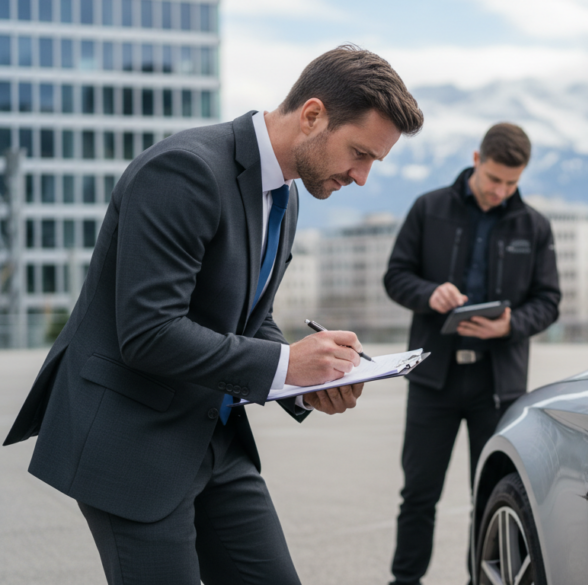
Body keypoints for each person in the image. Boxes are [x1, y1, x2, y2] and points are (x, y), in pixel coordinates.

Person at [3, 46, 423, 585]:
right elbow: (149, 333)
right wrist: (285, 365)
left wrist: (310, 379)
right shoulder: (185, 170)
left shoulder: (286, 197)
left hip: (213, 436)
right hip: (132, 441)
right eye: (360, 153)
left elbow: (248, 321)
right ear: (313, 115)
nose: (362, 176)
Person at [383, 123, 561, 585]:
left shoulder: (535, 226)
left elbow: (548, 301)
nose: (501, 191)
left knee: (488, 495)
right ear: (476, 159)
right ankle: (405, 581)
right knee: (418, 495)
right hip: (432, 379)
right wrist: (429, 294)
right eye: (494, 179)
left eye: (512, 183)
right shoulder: (429, 208)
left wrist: (510, 324)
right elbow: (396, 275)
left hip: (497, 384)